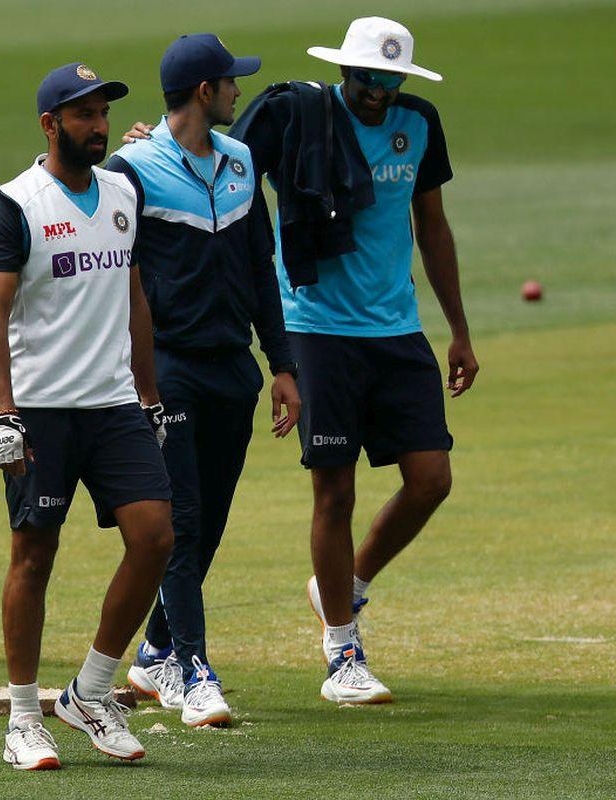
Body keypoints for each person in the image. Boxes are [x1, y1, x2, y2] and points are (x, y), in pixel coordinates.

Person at [125, 15, 480, 705]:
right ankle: (342, 653)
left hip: (397, 327)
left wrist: (458, 329)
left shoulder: (421, 123)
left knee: (431, 478)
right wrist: (154, 145)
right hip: (316, 326)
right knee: (335, 491)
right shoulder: (294, 118)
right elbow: (218, 159)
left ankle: (340, 589)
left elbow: (431, 225)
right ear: (346, 71)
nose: (380, 90)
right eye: (369, 77)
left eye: (391, 79)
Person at [0, 62, 175, 771]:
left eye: (102, 114)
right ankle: (23, 717)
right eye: (83, 114)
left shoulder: (123, 191)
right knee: (35, 554)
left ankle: (89, 693)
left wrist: (149, 397)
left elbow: (135, 300)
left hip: (115, 403)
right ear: (49, 124)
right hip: (41, 410)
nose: (98, 126)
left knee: (155, 538)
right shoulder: (13, 204)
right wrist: (4, 414)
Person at [104, 34, 300, 728]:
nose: (239, 91)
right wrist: (133, 377)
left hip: (231, 369)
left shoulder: (243, 162)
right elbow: (110, 274)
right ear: (201, 92)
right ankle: (193, 669)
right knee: (181, 523)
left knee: (209, 521)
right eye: (230, 82)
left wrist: (281, 365)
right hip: (169, 372)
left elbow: (260, 272)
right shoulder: (132, 168)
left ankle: (157, 649)